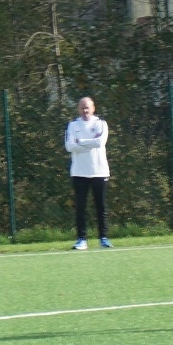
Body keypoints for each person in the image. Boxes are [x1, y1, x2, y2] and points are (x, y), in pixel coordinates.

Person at [64, 96, 112, 250]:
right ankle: (81, 239)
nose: (85, 110)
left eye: (87, 107)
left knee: (101, 206)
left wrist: (81, 142)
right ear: (79, 109)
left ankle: (103, 238)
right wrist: (89, 143)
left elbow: (100, 142)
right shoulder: (73, 125)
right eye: (82, 107)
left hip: (99, 171)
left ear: (93, 108)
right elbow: (69, 146)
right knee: (80, 207)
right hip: (79, 172)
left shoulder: (101, 123)